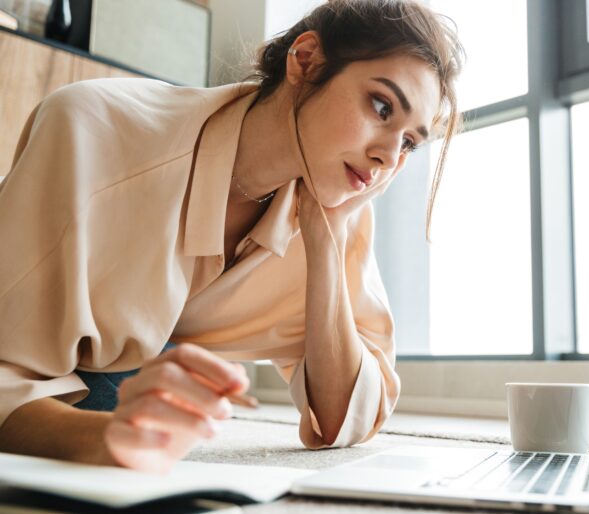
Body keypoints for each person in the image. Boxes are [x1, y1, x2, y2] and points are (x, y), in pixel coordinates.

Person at [0, 0, 462, 473]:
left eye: (409, 142)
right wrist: (107, 437)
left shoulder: (341, 202)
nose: (388, 155)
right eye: (382, 107)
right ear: (306, 60)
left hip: (133, 363)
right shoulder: (92, 132)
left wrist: (327, 242)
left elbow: (347, 414)